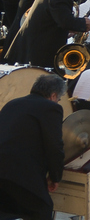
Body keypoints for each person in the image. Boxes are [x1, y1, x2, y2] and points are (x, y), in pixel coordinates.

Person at [0, 74, 66, 220]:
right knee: (42, 209)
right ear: (53, 95)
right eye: (59, 99)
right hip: (19, 171)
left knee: (8, 211)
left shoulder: (12, 103)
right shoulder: (51, 108)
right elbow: (54, 145)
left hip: (3, 170)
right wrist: (55, 176)